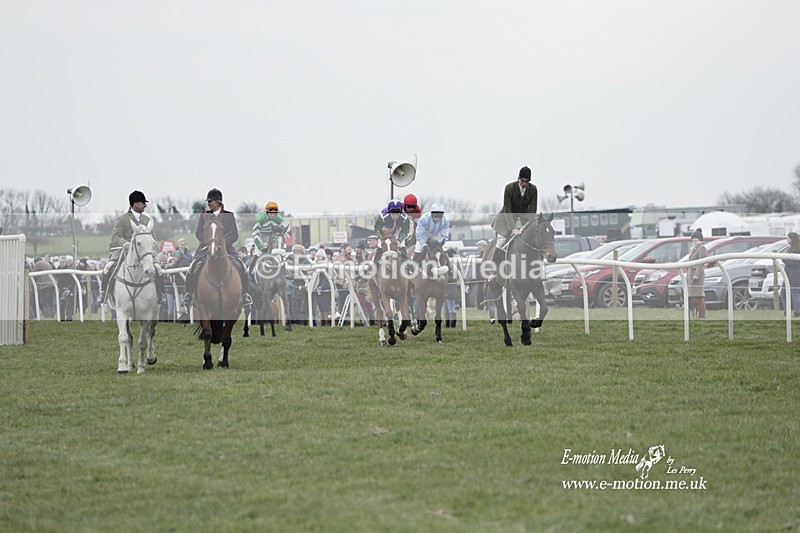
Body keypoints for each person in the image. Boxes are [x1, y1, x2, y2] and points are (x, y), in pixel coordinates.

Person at [182, 188, 251, 308]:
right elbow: (198, 233)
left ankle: (245, 295)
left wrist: (222, 243)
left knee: (242, 266)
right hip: (206, 248)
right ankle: (189, 294)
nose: (208, 204)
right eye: (208, 202)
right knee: (192, 266)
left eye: (211, 201)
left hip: (226, 249)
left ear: (219, 202)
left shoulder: (229, 216)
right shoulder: (205, 216)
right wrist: (209, 243)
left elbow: (234, 234)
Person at [98, 190, 165, 304]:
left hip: (145, 251)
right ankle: (103, 293)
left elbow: (153, 237)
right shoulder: (122, 219)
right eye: (143, 203)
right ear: (136, 204)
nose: (145, 205)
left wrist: (152, 244)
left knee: (159, 269)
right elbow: (115, 237)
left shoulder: (147, 220)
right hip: (125, 251)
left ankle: (160, 294)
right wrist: (125, 244)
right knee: (108, 268)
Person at [491, 166, 538, 254]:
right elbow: (507, 209)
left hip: (523, 219)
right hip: (506, 218)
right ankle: (493, 264)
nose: (524, 184)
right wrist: (513, 228)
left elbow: (533, 210)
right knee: (501, 241)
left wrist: (530, 224)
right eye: (522, 181)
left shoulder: (533, 189)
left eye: (527, 182)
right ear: (518, 179)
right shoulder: (509, 188)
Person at [686, 229, 708, 318]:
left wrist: (696, 275)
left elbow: (701, 263)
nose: (694, 241)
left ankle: (701, 315)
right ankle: (691, 314)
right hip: (691, 274)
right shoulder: (694, 248)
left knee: (699, 297)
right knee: (691, 296)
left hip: (697, 276)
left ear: (700, 240)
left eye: (696, 239)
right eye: (693, 239)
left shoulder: (702, 248)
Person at [780, 231, 800, 318]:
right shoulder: (790, 248)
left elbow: (794, 263)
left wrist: (784, 259)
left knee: (795, 293)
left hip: (795, 276)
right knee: (783, 293)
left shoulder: (797, 249)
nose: (787, 240)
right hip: (787, 275)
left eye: (788, 238)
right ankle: (786, 311)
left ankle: (797, 312)